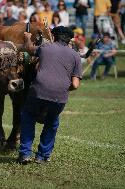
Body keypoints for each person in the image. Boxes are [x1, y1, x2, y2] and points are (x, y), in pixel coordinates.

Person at [18, 26, 82, 164]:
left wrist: (28, 38)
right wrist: (62, 88)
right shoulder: (76, 56)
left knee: (28, 116)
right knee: (52, 122)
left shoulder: (46, 47)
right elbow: (75, 84)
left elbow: (29, 49)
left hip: (38, 91)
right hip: (60, 96)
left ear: (54, 36)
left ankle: (25, 154)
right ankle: (42, 156)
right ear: (69, 40)